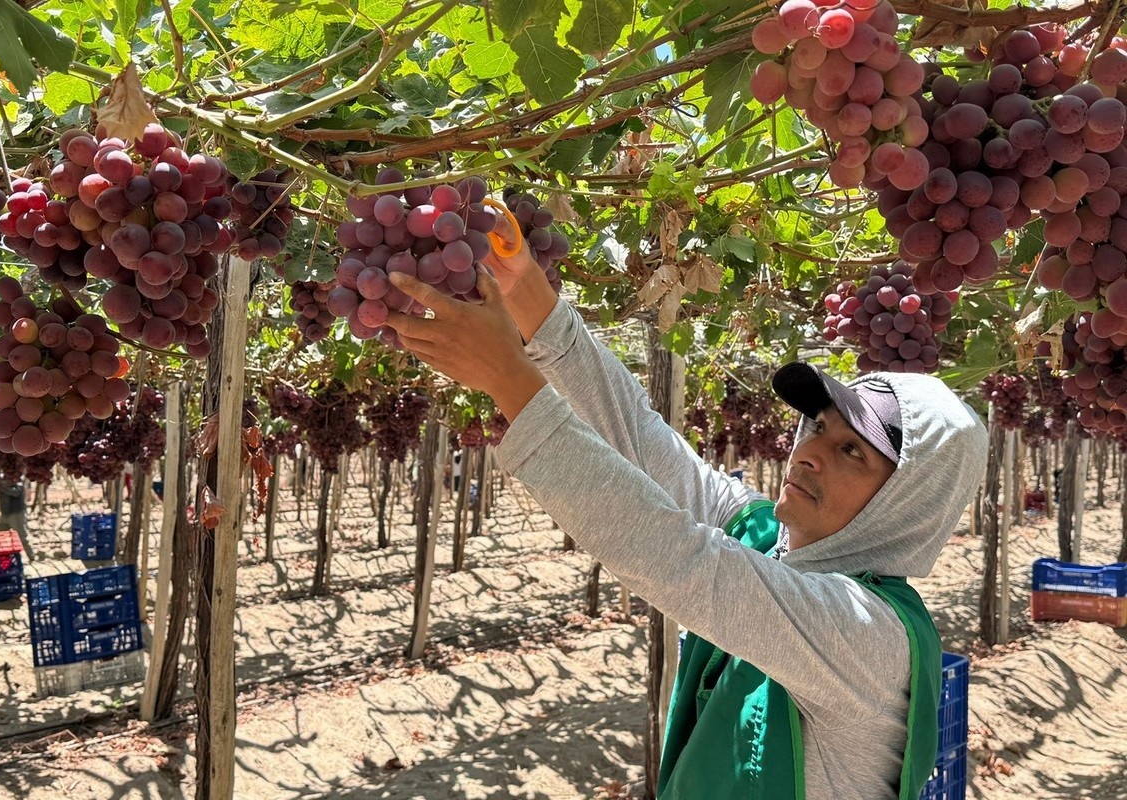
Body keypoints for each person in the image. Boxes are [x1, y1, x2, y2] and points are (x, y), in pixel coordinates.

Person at [382, 216, 987, 800]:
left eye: (851, 451)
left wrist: (511, 379)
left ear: (906, 503)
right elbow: (643, 443)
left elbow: (681, 562)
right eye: (818, 426)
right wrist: (528, 294)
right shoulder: (766, 538)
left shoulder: (870, 634)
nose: (809, 454)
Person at [0, 478, 33, 561]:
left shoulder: (17, 477)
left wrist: (1, 485)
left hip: (16, 513)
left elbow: (16, 492)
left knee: (21, 536)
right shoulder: (2, 478)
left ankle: (31, 556)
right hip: (5, 513)